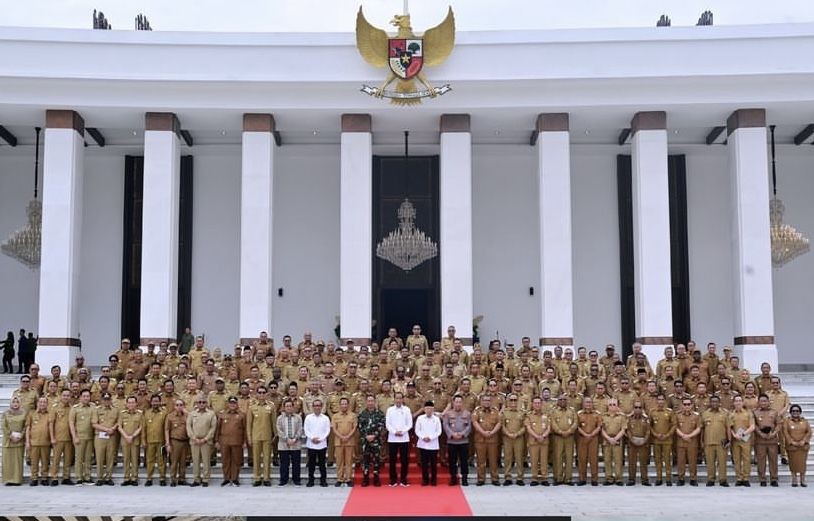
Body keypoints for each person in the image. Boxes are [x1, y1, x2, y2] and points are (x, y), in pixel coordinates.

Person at [247, 385, 276, 486]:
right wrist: (249, 437)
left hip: (267, 436)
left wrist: (275, 435)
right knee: (256, 458)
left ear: (266, 394)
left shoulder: (271, 406)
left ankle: (267, 478)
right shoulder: (252, 407)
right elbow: (249, 424)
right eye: (260, 392)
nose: (262, 394)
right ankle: (257, 478)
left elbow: (273, 422)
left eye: (264, 392)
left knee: (267, 458)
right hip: (256, 436)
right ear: (256, 394)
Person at [186, 394, 217, 487]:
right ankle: (196, 479)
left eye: (203, 402)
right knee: (195, 461)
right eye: (199, 402)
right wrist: (193, 438)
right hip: (194, 441)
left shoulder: (211, 414)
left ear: (207, 403)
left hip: (206, 441)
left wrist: (205, 439)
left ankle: (206, 479)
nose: (202, 404)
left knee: (206, 460)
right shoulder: (192, 414)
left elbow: (213, 428)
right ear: (196, 403)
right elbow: (188, 427)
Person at [217, 396, 247, 486]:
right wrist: (216, 441)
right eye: (231, 403)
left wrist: (245, 441)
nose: (232, 405)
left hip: (237, 441)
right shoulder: (222, 414)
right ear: (228, 404)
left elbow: (245, 429)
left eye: (234, 403)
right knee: (225, 461)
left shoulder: (242, 415)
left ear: (237, 404)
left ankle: (234, 478)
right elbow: (218, 429)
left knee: (236, 460)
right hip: (224, 442)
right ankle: (226, 478)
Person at [443, 394, 472, 486]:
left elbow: (469, 426)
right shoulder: (448, 414)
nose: (458, 404)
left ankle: (464, 478)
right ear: (453, 402)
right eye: (456, 402)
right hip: (452, 441)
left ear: (462, 403)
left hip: (463, 441)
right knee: (452, 461)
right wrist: (452, 434)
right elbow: (445, 425)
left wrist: (462, 434)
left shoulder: (467, 413)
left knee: (464, 461)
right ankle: (453, 478)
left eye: (460, 402)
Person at [357, 394, 386, 487]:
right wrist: (366, 436)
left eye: (372, 401)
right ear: (366, 402)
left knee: (376, 460)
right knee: (365, 460)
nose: (370, 403)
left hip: (376, 441)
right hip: (365, 441)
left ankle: (376, 478)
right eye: (368, 401)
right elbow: (360, 427)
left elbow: (381, 426)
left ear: (375, 402)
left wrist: (374, 435)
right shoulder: (362, 414)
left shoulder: (380, 413)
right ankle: (365, 478)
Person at [386, 391, 413, 486]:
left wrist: (402, 431)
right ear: (394, 399)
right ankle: (393, 479)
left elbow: (410, 424)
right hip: (392, 438)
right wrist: (394, 432)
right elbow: (387, 424)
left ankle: (403, 479)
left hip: (404, 438)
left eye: (400, 398)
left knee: (404, 460)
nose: (398, 400)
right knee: (392, 460)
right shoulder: (390, 410)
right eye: (396, 398)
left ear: (402, 399)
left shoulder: (407, 409)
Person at [472, 393, 501, 486]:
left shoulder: (496, 411)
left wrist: (492, 432)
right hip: (480, 439)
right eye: (485, 400)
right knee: (481, 460)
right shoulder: (477, 411)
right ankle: (481, 479)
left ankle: (495, 478)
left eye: (488, 400)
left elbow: (499, 423)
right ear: (481, 401)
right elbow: (475, 422)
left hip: (492, 439)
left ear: (491, 401)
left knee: (493, 460)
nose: (487, 402)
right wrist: (483, 432)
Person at [754, 392, 781, 486]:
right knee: (761, 460)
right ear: (758, 402)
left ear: (768, 402)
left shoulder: (774, 412)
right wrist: (760, 433)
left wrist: (773, 434)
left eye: (765, 401)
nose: (763, 403)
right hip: (760, 440)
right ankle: (762, 479)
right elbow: (754, 425)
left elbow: (778, 425)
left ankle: (774, 478)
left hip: (772, 440)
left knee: (773, 460)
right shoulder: (755, 412)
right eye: (761, 401)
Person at [91, 393, 119, 485]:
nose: (107, 401)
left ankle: (108, 477)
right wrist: (106, 429)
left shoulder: (116, 410)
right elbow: (94, 423)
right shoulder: (97, 410)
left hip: (111, 436)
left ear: (111, 400)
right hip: (100, 436)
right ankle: (100, 477)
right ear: (102, 400)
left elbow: (119, 422)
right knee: (99, 457)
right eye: (105, 399)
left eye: (108, 399)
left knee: (110, 457)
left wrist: (113, 429)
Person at [702, 395, 730, 486]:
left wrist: (729, 440)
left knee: (722, 462)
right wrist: (701, 441)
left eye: (716, 402)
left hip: (721, 442)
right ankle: (711, 479)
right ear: (710, 403)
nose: (714, 403)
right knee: (710, 462)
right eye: (712, 402)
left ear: (719, 403)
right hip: (708, 441)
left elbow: (728, 428)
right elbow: (701, 428)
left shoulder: (725, 413)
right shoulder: (705, 414)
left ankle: (723, 480)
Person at [69, 388, 95, 484]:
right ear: (80, 397)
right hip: (79, 437)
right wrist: (74, 436)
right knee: (79, 458)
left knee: (88, 458)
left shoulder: (93, 407)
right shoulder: (75, 408)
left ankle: (87, 476)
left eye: (88, 396)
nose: (86, 398)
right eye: (84, 396)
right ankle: (79, 477)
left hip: (90, 437)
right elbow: (71, 423)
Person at [649, 394, 676, 486]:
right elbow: (650, 426)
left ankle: (668, 478)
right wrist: (655, 434)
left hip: (667, 440)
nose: (660, 401)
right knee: (657, 460)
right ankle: (659, 478)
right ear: (656, 401)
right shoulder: (652, 412)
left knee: (667, 459)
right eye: (659, 399)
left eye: (662, 399)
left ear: (664, 401)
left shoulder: (669, 412)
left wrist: (667, 435)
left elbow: (673, 425)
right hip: (656, 440)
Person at [331, 396, 358, 487]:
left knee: (349, 461)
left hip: (349, 441)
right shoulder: (335, 416)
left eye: (345, 403)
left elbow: (354, 427)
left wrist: (348, 436)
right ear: (339, 405)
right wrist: (341, 436)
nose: (344, 405)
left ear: (348, 405)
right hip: (339, 441)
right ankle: (339, 478)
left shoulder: (353, 415)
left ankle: (348, 478)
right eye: (342, 403)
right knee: (339, 461)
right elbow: (334, 428)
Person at [524, 396, 551, 486]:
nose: (537, 405)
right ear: (532, 404)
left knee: (544, 460)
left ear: (542, 404)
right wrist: (536, 436)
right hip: (533, 441)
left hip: (544, 441)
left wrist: (543, 436)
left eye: (539, 403)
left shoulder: (546, 415)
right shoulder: (529, 415)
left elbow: (548, 428)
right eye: (535, 403)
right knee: (534, 460)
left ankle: (544, 478)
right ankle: (534, 478)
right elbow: (528, 428)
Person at [276, 398, 303, 487]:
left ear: (293, 407)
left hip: (296, 443)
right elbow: (279, 430)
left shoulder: (298, 417)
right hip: (283, 444)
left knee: (296, 463)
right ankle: (283, 480)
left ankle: (296, 480)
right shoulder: (280, 418)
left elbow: (300, 429)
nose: (288, 408)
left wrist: (295, 439)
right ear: (284, 407)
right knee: (284, 463)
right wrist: (287, 439)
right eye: (287, 406)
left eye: (290, 406)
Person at [729, 395, 755, 487]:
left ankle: (746, 478)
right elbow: (730, 427)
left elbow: (752, 426)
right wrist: (734, 435)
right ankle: (739, 478)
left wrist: (743, 434)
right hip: (735, 439)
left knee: (746, 459)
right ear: (734, 403)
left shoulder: (748, 413)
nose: (738, 402)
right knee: (736, 459)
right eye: (736, 401)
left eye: (740, 400)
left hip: (745, 439)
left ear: (743, 402)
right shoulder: (731, 414)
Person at [304, 398, 330, 487]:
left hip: (322, 444)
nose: (317, 407)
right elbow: (306, 430)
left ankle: (323, 480)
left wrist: (321, 439)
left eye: (319, 405)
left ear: (322, 407)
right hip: (311, 444)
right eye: (315, 405)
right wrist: (312, 438)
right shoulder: (308, 417)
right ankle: (311, 480)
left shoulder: (326, 418)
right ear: (313, 407)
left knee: (322, 464)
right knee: (311, 464)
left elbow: (327, 430)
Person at [118, 395, 144, 486]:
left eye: (133, 402)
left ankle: (134, 478)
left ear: (136, 403)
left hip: (135, 439)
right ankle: (126, 478)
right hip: (125, 439)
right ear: (126, 404)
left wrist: (132, 436)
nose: (131, 404)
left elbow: (141, 427)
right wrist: (126, 436)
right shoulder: (122, 413)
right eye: (129, 402)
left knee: (134, 459)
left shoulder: (140, 414)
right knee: (126, 459)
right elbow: (119, 427)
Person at [501, 393, 526, 486]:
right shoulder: (504, 413)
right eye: (511, 400)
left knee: (519, 458)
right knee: (508, 458)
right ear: (508, 401)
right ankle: (508, 477)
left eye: (515, 400)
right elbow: (502, 425)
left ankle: (520, 477)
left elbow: (524, 426)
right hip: (507, 438)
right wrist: (508, 433)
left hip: (518, 438)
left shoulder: (522, 412)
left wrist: (517, 434)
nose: (513, 402)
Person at [675, 398, 701, 486]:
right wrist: (682, 435)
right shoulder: (677, 415)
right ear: (682, 405)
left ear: (692, 405)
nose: (687, 406)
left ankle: (693, 478)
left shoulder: (696, 416)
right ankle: (681, 478)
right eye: (685, 404)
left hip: (692, 441)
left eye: (688, 404)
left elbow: (698, 428)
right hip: (680, 441)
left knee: (692, 461)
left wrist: (689, 436)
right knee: (681, 461)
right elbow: (675, 427)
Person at [25, 396, 51, 486]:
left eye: (44, 402)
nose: (42, 404)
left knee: (45, 461)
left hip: (46, 442)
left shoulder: (49, 414)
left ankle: (44, 477)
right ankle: (34, 478)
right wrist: (27, 441)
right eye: (40, 402)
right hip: (34, 442)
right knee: (34, 462)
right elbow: (28, 428)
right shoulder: (32, 414)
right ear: (37, 403)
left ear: (47, 404)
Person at [415, 400, 442, 486]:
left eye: (430, 409)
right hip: (423, 444)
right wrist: (423, 437)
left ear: (433, 409)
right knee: (424, 463)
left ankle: (434, 480)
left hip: (433, 444)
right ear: (424, 409)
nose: (429, 410)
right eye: (427, 409)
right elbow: (417, 430)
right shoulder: (420, 418)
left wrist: (431, 438)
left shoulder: (436, 419)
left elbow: (439, 431)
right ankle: (425, 479)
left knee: (433, 463)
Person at [143, 394, 168, 486]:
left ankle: (162, 478)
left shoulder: (164, 413)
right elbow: (144, 428)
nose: (155, 403)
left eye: (157, 401)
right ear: (151, 402)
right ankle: (149, 478)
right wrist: (143, 440)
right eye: (153, 401)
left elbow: (166, 428)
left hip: (161, 441)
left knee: (162, 460)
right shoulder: (147, 413)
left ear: (160, 402)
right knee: (150, 460)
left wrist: (166, 441)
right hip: (150, 441)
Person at [576, 396, 601, 486]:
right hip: (582, 438)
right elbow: (577, 426)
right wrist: (585, 434)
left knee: (593, 459)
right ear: (583, 404)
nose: (588, 404)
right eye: (586, 402)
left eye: (590, 402)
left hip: (593, 439)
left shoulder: (597, 414)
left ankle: (594, 479)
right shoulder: (579, 414)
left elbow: (599, 426)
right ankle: (582, 479)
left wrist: (592, 434)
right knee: (582, 459)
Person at [601, 398, 626, 486]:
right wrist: (609, 439)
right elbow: (602, 429)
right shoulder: (603, 416)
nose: (612, 406)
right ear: (607, 406)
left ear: (617, 406)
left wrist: (615, 439)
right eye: (610, 404)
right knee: (607, 460)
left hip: (617, 440)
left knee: (618, 460)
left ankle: (618, 478)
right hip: (607, 440)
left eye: (614, 404)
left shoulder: (621, 416)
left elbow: (623, 429)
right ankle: (609, 478)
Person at [164, 399, 190, 486]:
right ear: (174, 406)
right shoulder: (170, 416)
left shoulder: (187, 416)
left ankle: (182, 479)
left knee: (183, 462)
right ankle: (173, 479)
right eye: (177, 405)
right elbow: (167, 430)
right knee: (174, 462)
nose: (179, 407)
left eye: (181, 405)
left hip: (185, 441)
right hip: (174, 441)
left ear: (183, 406)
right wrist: (167, 443)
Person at [784, 404, 811, 487]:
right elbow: (785, 432)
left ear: (800, 412)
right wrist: (792, 442)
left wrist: (804, 440)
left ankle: (802, 480)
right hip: (792, 446)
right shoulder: (787, 421)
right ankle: (794, 479)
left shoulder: (805, 421)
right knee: (793, 463)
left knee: (803, 463)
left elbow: (809, 432)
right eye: (793, 411)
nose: (795, 412)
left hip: (803, 446)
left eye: (797, 411)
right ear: (790, 412)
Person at [2, 396, 26, 485]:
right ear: (10, 403)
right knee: (8, 461)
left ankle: (17, 480)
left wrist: (21, 435)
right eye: (13, 402)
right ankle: (8, 479)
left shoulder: (24, 413)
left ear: (20, 403)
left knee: (17, 461)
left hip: (19, 440)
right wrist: (10, 436)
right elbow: (4, 426)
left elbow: (25, 426)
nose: (15, 404)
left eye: (17, 402)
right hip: (8, 440)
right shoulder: (6, 413)